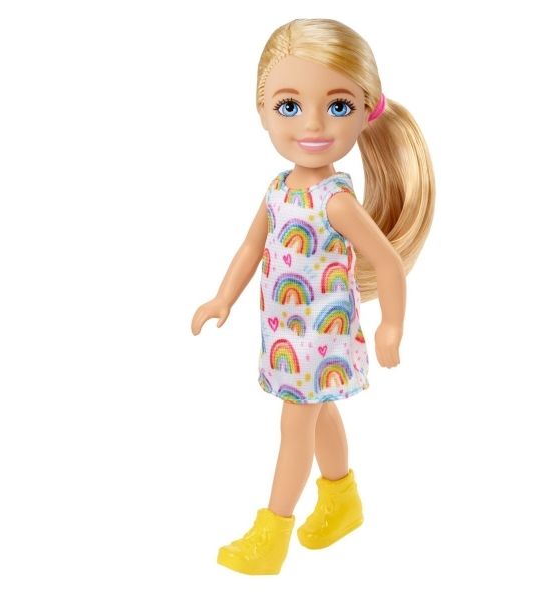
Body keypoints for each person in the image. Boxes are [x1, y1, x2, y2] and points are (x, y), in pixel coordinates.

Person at [191, 18, 435, 575]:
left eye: (338, 106)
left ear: (366, 110)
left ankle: (272, 532)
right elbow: (251, 246)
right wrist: (223, 297)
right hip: (284, 333)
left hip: (321, 335)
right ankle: (341, 500)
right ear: (262, 111)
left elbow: (388, 263)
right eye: (290, 105)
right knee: (318, 414)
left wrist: (391, 325)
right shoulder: (278, 189)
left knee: (296, 423)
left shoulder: (335, 201)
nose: (314, 124)